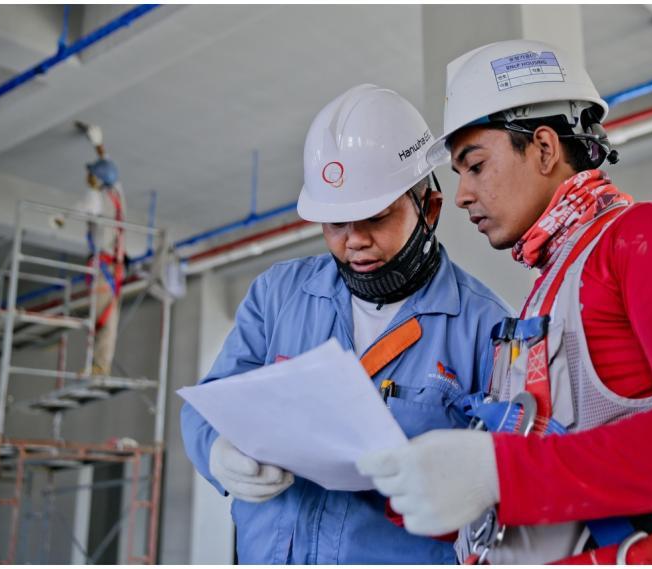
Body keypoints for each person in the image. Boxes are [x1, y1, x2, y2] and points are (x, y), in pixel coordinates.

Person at [357, 40, 652, 564]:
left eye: (474, 166)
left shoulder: (648, 238)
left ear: (545, 148)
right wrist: (428, 483)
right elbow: (542, 473)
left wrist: (499, 472)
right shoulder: (550, 290)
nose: (461, 196)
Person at [179, 84, 512, 564]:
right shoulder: (277, 296)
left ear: (430, 208)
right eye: (335, 223)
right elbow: (211, 402)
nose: (354, 241)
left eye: (375, 218)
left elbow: (506, 481)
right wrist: (217, 451)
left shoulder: (486, 328)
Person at [51, 122, 127, 376]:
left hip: (103, 268)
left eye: (92, 174)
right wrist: (98, 144)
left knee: (101, 318)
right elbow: (110, 169)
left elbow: (81, 207)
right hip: (113, 266)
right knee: (107, 316)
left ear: (97, 179)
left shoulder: (96, 198)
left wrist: (61, 218)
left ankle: (98, 366)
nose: (88, 176)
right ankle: (100, 365)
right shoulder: (116, 193)